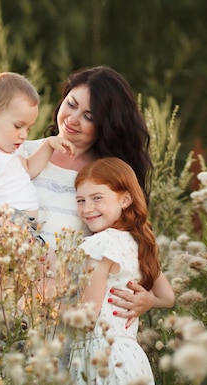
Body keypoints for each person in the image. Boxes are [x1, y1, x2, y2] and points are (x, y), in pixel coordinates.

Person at [21, 66, 174, 319]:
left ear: (106, 125)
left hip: (64, 315)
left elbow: (132, 241)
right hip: (6, 297)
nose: (72, 119)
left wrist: (149, 300)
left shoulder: (105, 179)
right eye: (71, 104)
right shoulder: (20, 152)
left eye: (89, 117)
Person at [0, 71, 74, 274]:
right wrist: (0, 229)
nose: (23, 135)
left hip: (25, 228)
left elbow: (29, 170)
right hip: (4, 228)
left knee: (53, 270)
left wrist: (49, 144)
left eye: (28, 129)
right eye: (18, 126)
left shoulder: (10, 146)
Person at [69, 157, 160, 385]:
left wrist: (39, 300)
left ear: (125, 199)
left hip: (103, 358)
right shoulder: (137, 243)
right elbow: (167, 297)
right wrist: (148, 301)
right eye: (80, 200)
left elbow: (87, 318)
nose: (87, 208)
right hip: (131, 359)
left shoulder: (100, 245)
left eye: (97, 198)